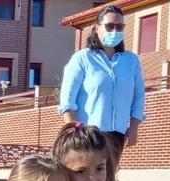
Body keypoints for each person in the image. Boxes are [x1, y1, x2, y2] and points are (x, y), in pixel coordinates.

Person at [58, 4, 145, 165]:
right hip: (88, 135)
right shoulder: (82, 58)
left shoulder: (131, 61)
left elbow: (138, 97)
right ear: (97, 28)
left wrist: (134, 128)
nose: (114, 31)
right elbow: (67, 100)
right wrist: (74, 131)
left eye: (120, 27)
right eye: (109, 26)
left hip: (117, 135)